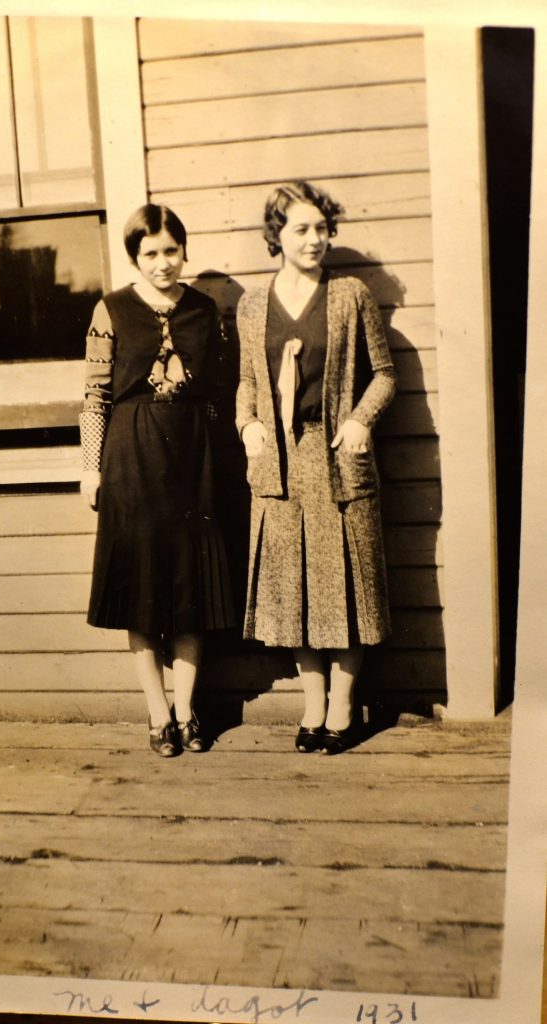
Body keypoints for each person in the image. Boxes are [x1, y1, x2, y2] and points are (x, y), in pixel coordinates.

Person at [236, 180, 396, 755]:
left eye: (322, 229)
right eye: (301, 229)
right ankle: (313, 705)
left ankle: (345, 708)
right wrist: (247, 423)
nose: (315, 240)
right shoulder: (253, 305)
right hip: (278, 469)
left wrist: (360, 420)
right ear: (276, 236)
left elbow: (384, 373)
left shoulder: (349, 295)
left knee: (346, 589)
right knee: (295, 591)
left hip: (337, 462)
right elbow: (248, 383)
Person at [79, 204, 234, 757]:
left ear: (183, 251)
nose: (163, 263)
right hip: (132, 460)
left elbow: (217, 399)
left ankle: (189, 712)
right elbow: (95, 398)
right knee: (142, 593)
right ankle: (158, 714)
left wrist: (220, 464)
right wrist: (90, 469)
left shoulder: (204, 311)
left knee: (192, 588)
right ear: (133, 258)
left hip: (193, 463)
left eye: (171, 250)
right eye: (150, 253)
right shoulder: (111, 309)